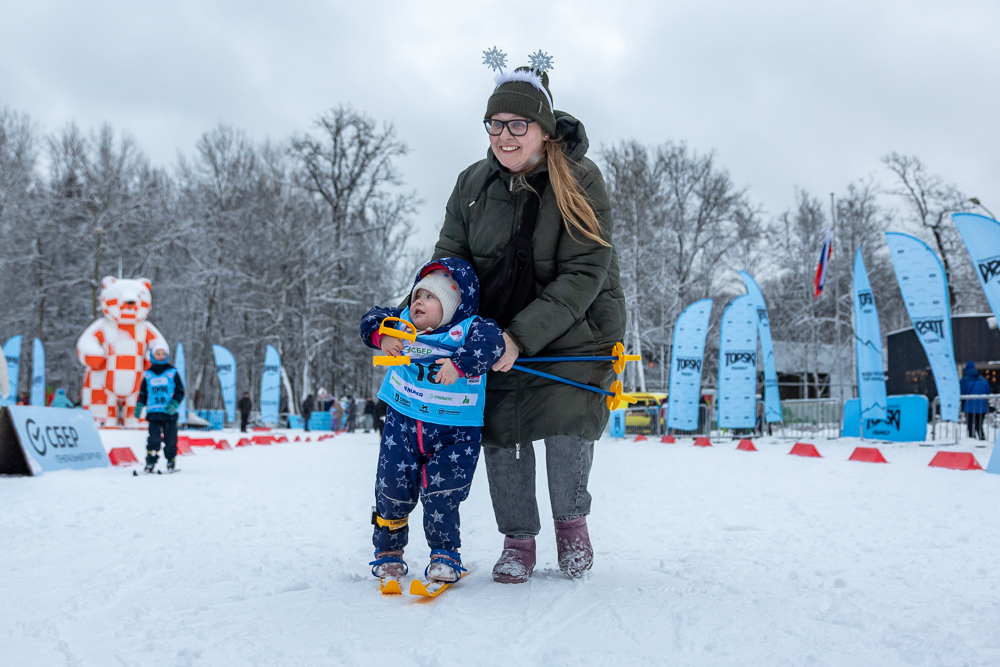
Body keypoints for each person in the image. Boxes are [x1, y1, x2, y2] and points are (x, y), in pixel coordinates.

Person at [431, 63, 625, 583]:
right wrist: (424, 305)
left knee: (564, 419)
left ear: (543, 128)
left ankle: (571, 526)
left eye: (518, 124)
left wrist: (521, 336)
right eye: (496, 124)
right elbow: (451, 258)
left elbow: (586, 270)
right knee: (503, 429)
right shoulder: (471, 183)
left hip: (574, 323)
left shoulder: (580, 180)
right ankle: (517, 538)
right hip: (496, 327)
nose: (505, 135)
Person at [360, 257, 504, 585]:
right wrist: (383, 337)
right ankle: (388, 553)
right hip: (403, 422)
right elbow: (370, 318)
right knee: (392, 486)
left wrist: (461, 364)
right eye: (416, 296)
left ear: (453, 306)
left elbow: (492, 345)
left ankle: (444, 554)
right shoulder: (401, 325)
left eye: (430, 297)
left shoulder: (471, 329)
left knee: (442, 491)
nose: (418, 302)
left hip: (455, 430)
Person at [135, 340, 185, 473]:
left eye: (163, 353)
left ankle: (171, 461)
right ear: (152, 355)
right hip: (154, 413)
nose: (161, 356)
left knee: (170, 439)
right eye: (158, 353)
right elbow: (143, 392)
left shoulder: (172, 372)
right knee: (153, 439)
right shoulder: (148, 375)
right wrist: (140, 405)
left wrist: (174, 404)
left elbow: (180, 391)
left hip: (169, 413)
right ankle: (150, 462)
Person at [960, 361, 990, 440]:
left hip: (969, 407)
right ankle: (982, 439)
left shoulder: (964, 380)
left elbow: (962, 392)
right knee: (979, 425)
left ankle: (972, 440)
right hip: (981, 406)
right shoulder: (983, 379)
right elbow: (988, 392)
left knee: (970, 425)